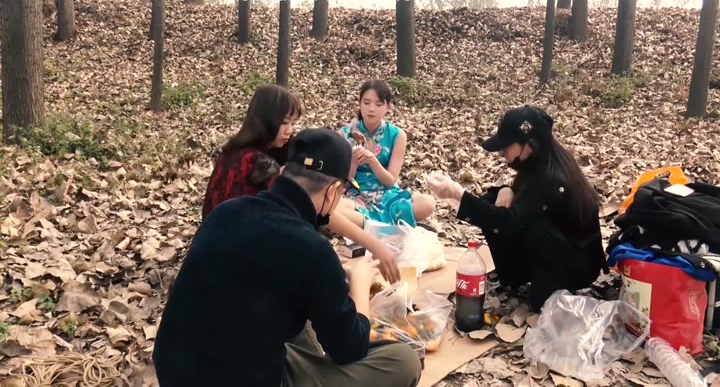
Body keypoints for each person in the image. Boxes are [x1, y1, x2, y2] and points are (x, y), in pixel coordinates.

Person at [153, 128, 422, 387]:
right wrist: (360, 286)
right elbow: (349, 348)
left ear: (283, 172)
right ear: (333, 193)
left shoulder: (226, 212)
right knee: (404, 360)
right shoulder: (313, 249)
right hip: (248, 379)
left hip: (176, 370)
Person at [201, 84, 401, 283]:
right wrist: (373, 244)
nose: (289, 131)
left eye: (293, 123)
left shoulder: (240, 150)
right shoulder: (256, 163)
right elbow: (310, 204)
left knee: (344, 206)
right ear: (266, 120)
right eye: (284, 123)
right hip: (237, 255)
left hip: (221, 240)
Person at [425, 106, 609, 311]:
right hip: (558, 248)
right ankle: (521, 277)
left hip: (577, 264)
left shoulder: (552, 179)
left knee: (532, 227)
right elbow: (520, 205)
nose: (502, 152)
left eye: (506, 146)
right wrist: (505, 189)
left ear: (529, 144)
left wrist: (458, 195)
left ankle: (549, 297)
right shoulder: (538, 164)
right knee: (495, 203)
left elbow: (512, 221)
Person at [338, 79, 436, 228]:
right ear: (359, 104)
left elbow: (390, 181)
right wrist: (353, 161)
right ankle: (392, 223)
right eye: (366, 103)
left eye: (378, 104)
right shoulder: (343, 134)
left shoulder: (397, 135)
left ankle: (370, 225)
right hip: (354, 196)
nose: (371, 109)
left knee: (427, 203)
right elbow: (343, 183)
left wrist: (373, 161)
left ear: (387, 107)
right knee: (334, 210)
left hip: (386, 194)